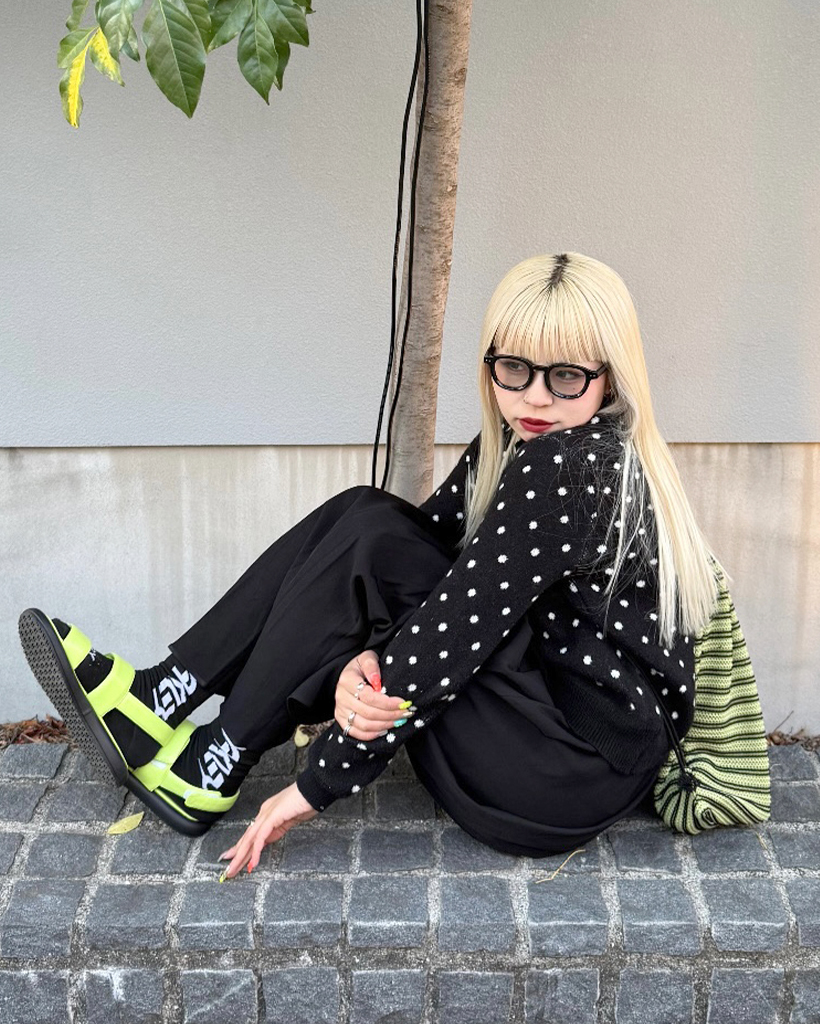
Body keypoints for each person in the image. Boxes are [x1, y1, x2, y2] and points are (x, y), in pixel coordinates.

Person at [19, 251, 722, 881]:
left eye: (565, 376)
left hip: (559, 776)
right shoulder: (528, 438)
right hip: (544, 728)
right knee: (366, 515)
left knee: (373, 539)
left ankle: (205, 748)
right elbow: (426, 555)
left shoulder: (568, 465)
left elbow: (452, 627)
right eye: (515, 369)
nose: (535, 396)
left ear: (609, 376)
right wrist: (364, 651)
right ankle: (168, 704)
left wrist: (314, 786)